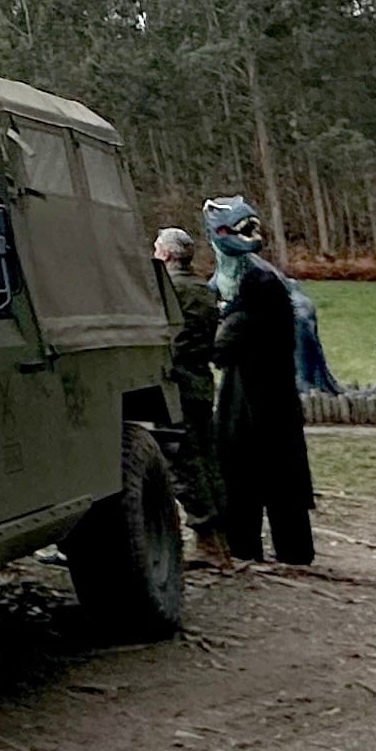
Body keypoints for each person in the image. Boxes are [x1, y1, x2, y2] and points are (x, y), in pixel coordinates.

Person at [200, 196, 315, 566]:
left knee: (252, 474)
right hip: (258, 391)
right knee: (258, 476)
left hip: (258, 395)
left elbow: (229, 341)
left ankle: (277, 551)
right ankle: (262, 548)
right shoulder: (235, 280)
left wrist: (217, 338)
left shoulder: (260, 283)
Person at [148, 227, 230, 550]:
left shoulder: (166, 291)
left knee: (184, 462)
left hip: (176, 384)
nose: (154, 253)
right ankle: (221, 536)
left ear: (167, 254)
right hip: (200, 382)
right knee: (208, 460)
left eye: (156, 248)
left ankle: (207, 539)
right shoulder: (205, 289)